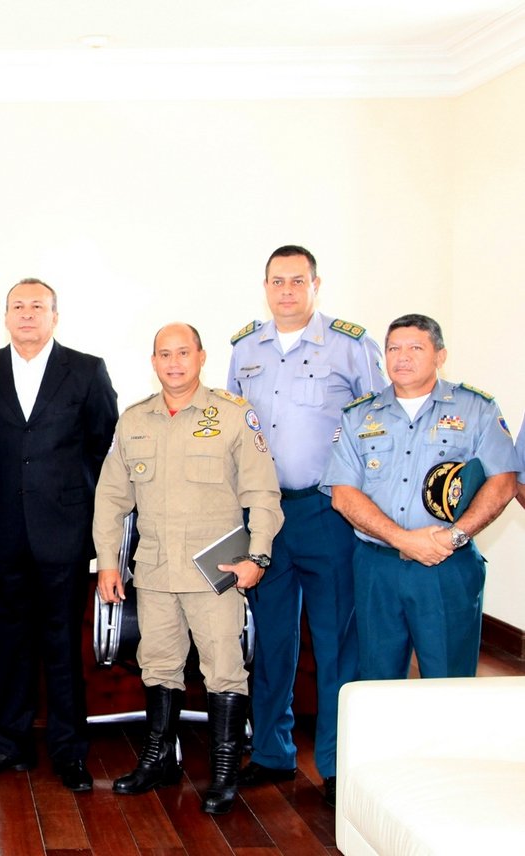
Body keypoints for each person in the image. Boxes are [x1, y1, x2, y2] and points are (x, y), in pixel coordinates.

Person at [94, 323, 283, 815]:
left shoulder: (234, 416)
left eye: (183, 353)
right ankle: (157, 760)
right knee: (158, 665)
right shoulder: (134, 420)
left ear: (201, 356)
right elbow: (111, 498)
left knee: (223, 669)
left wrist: (257, 556)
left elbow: (262, 493)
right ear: (153, 361)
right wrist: (108, 564)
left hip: (215, 571)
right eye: (164, 354)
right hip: (154, 570)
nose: (174, 362)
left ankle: (223, 773)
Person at [226, 245, 385, 807]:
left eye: (298, 281)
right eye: (277, 281)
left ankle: (339, 765)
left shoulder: (351, 345)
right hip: (267, 516)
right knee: (271, 641)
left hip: (328, 511)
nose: (287, 291)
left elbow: (377, 425)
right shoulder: (245, 348)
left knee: (337, 642)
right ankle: (272, 753)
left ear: (317, 284)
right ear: (264, 286)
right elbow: (233, 431)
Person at [0, 278, 117, 792]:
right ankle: (12, 745)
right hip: (1, 532)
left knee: (63, 644)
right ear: (5, 316)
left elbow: (104, 448)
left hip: (64, 533)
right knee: (9, 643)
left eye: (38, 307)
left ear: (55, 316)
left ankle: (70, 751)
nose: (27, 315)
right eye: (18, 307)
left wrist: (78, 507)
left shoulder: (87, 370)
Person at [323, 313, 516, 681]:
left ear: (440, 356)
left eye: (415, 347)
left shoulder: (476, 408)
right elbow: (343, 494)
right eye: (394, 348)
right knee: (377, 679)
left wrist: (453, 537)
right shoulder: (359, 415)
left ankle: (450, 742)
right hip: (378, 567)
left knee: (449, 679)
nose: (402, 357)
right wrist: (403, 540)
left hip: (447, 564)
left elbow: (503, 481)